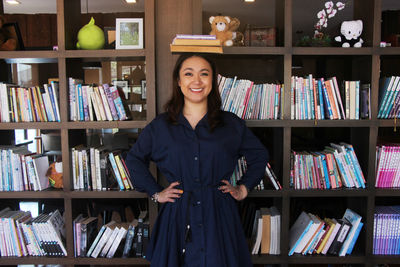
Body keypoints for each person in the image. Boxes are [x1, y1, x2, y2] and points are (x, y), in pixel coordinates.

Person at [125, 53, 269, 267]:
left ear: (213, 80)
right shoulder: (160, 126)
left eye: (204, 74)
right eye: (188, 74)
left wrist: (243, 189)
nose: (197, 81)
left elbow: (259, 156)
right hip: (177, 215)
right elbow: (134, 159)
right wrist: (156, 193)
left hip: (218, 214)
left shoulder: (231, 124)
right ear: (179, 81)